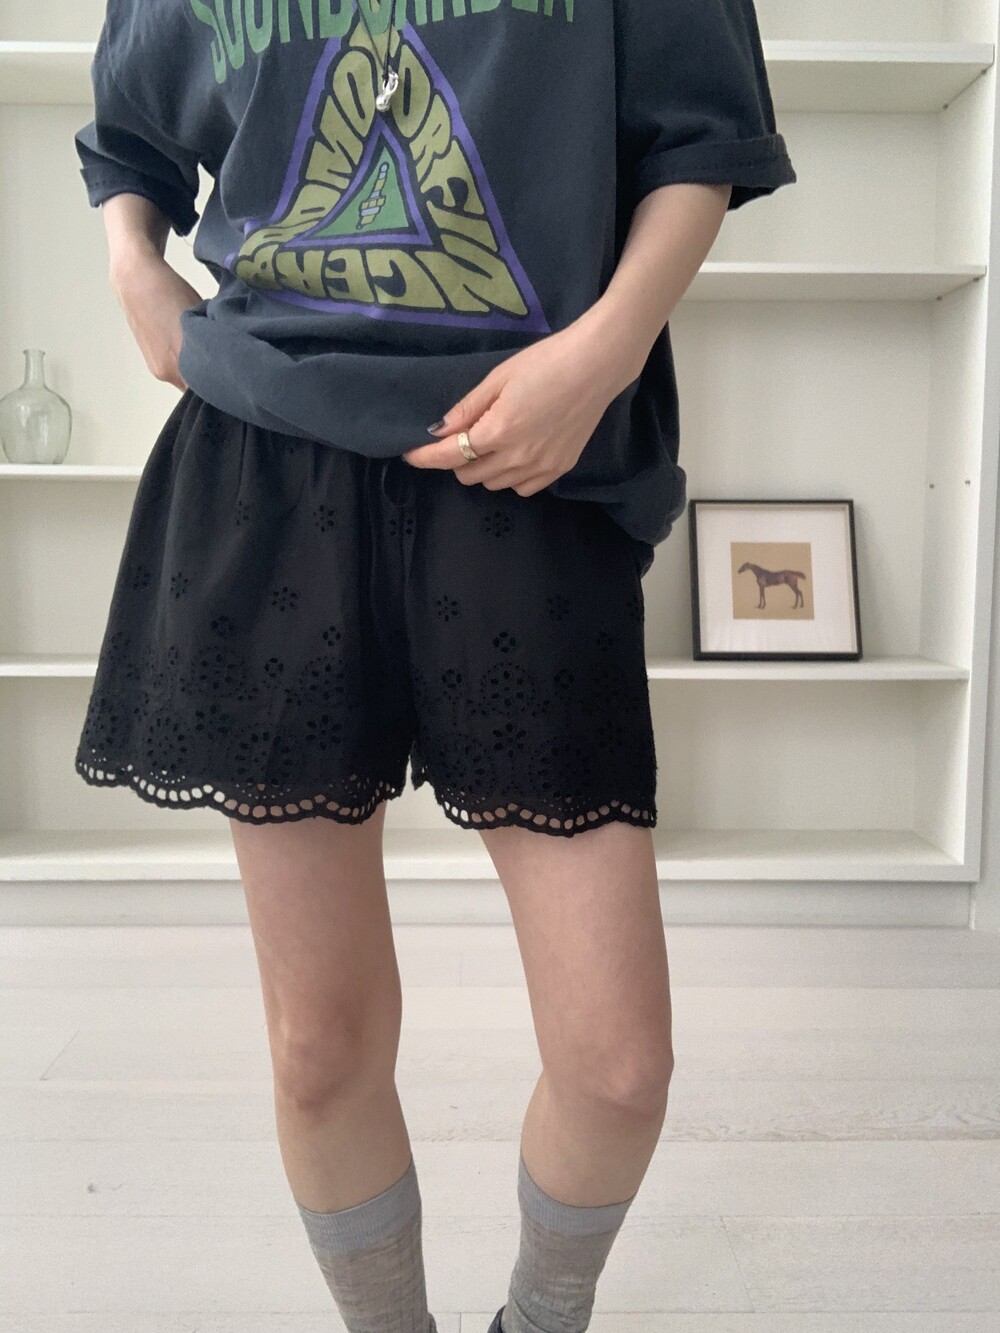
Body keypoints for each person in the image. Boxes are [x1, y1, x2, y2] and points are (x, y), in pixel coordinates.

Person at [73, 2, 796, 1329]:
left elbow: (702, 136)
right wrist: (133, 263)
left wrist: (607, 350)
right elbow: (130, 136)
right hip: (265, 464)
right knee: (318, 1045)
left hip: (529, 458)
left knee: (618, 1063)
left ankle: (540, 1318)